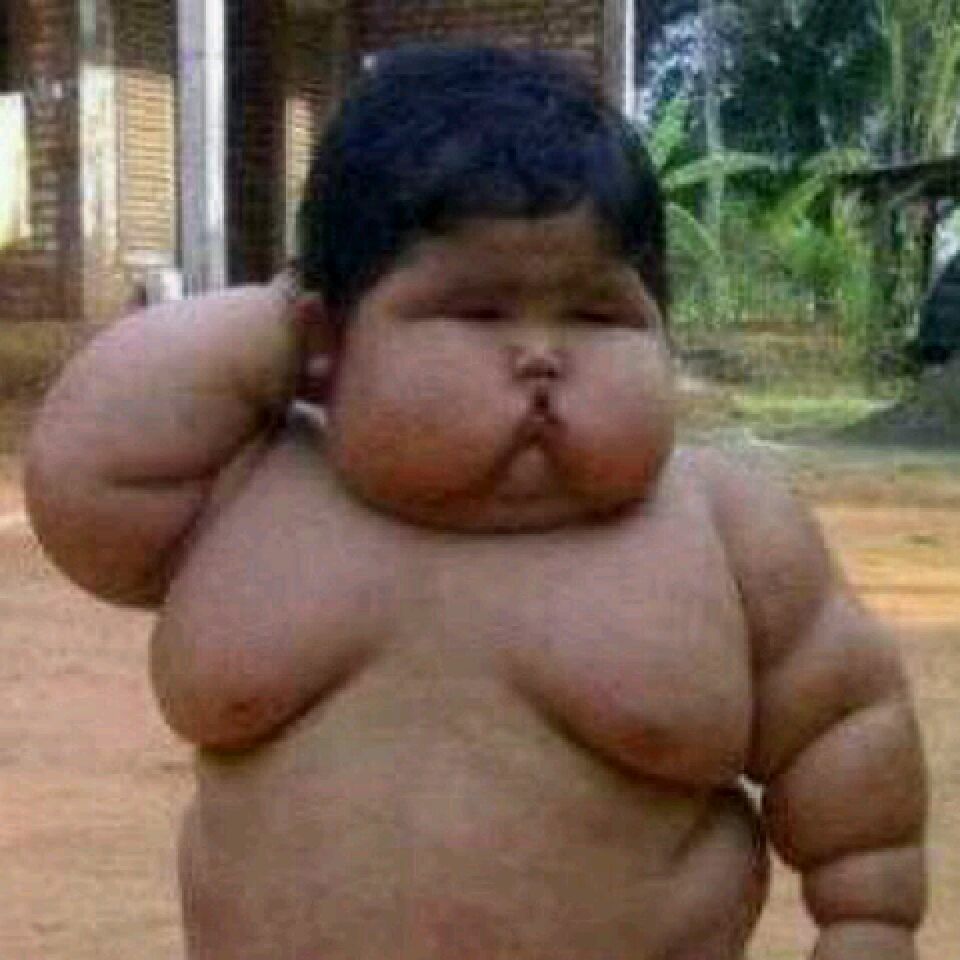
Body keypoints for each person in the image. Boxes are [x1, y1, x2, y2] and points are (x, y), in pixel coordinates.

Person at [25, 45, 927, 960]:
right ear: (324, 338)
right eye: (477, 312)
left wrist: (871, 924)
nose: (541, 356)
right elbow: (82, 468)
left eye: (597, 315)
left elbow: (846, 732)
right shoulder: (246, 489)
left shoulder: (725, 532)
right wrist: (290, 313)